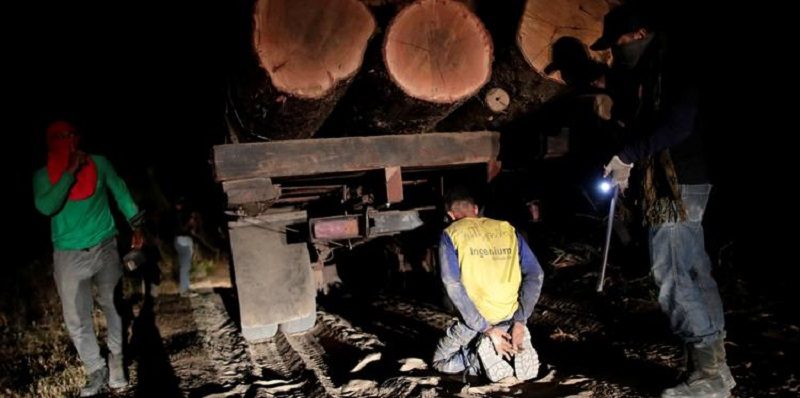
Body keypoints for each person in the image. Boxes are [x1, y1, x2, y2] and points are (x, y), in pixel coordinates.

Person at [591, 4, 733, 398]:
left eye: (618, 43)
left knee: (671, 274)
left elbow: (676, 124)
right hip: (684, 182)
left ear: (638, 34)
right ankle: (711, 366)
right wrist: (629, 162)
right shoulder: (653, 71)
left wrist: (629, 155)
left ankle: (710, 376)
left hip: (677, 187)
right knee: (692, 271)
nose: (616, 53)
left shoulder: (671, 67)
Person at [33, 120, 143, 396]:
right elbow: (47, 206)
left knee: (113, 306)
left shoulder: (99, 163)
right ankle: (96, 369)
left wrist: (136, 223)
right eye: (60, 137)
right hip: (68, 256)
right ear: (50, 142)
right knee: (76, 317)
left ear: (79, 138)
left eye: (71, 135)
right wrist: (69, 172)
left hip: (105, 246)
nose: (67, 141)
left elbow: (120, 190)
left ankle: (116, 361)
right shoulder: (43, 176)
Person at [432, 187, 544, 383]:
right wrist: (521, 320)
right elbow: (536, 274)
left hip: (477, 321)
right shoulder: (507, 228)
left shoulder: (450, 234)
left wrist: (485, 328)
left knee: (441, 362)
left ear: (450, 215)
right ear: (476, 209)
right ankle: (509, 341)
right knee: (499, 330)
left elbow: (451, 282)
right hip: (510, 316)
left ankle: (478, 357)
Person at [172, 197, 197, 296]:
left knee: (186, 266)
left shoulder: (179, 214)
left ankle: (186, 288)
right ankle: (184, 290)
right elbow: (181, 229)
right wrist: (189, 223)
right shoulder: (177, 216)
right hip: (182, 240)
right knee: (185, 266)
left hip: (183, 240)